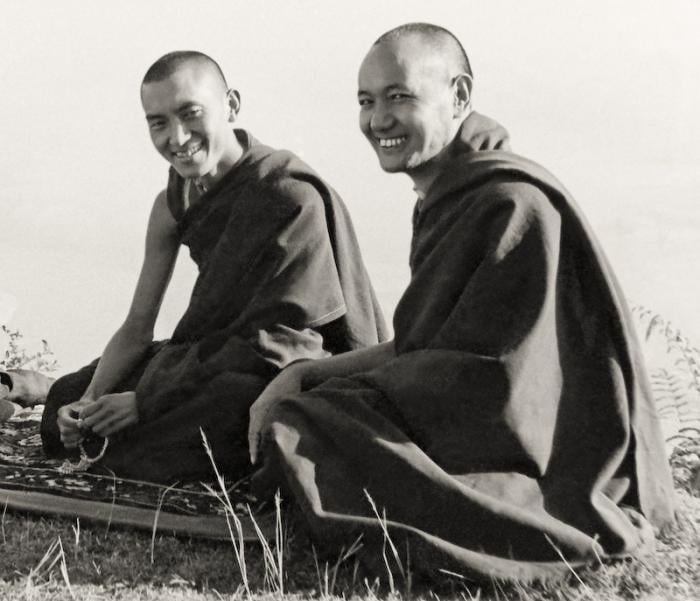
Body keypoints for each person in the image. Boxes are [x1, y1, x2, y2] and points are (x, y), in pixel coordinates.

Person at [247, 24, 677, 582]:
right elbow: (429, 341)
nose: (378, 120)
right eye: (366, 101)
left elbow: (498, 380)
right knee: (307, 408)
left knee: (305, 427)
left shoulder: (510, 203)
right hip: (469, 406)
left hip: (520, 438)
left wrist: (327, 390)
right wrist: (306, 372)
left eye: (399, 97)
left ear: (459, 96)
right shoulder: (449, 195)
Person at [40, 51, 387, 483]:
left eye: (190, 114)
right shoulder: (171, 205)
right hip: (202, 360)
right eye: (158, 122)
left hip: (271, 370)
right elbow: (137, 327)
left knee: (226, 413)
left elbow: (284, 342)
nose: (177, 137)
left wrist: (146, 400)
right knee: (63, 399)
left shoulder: (287, 195)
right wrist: (91, 401)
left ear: (232, 105)